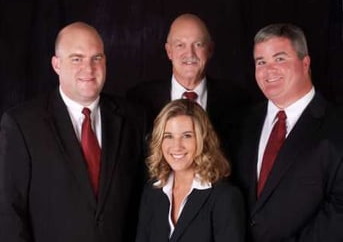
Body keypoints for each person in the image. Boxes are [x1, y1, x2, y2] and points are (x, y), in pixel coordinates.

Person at [0, 22, 146, 242]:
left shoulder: (133, 118)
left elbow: (145, 200)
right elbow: (6, 213)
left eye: (97, 58)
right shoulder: (22, 124)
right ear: (56, 64)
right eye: (77, 58)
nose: (89, 68)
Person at [232, 23, 343, 241]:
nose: (268, 70)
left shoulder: (337, 125)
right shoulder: (241, 122)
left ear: (305, 63)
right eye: (261, 62)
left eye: (279, 59)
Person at [127, 13, 249, 150]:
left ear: (210, 50)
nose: (190, 53)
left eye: (198, 44)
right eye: (180, 45)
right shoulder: (139, 101)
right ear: (169, 51)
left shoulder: (238, 101)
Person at [135, 99, 245, 242]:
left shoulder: (225, 197)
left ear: (203, 140)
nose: (177, 146)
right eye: (168, 136)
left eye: (187, 136)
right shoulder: (152, 192)